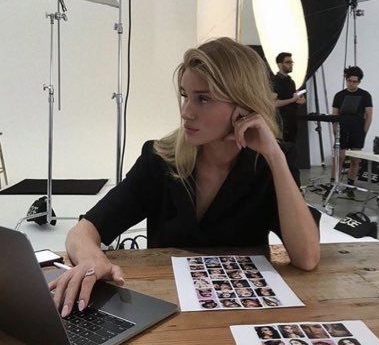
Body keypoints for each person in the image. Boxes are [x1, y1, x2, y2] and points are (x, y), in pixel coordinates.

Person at [49, 37, 320, 318]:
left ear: (244, 105)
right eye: (185, 96)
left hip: (245, 315)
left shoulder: (271, 162)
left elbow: (307, 257)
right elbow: (83, 230)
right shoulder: (160, 159)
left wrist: (274, 156)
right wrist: (93, 260)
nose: (186, 112)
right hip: (167, 312)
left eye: (203, 98)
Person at [330, 66, 373, 198]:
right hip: (341, 129)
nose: (352, 83)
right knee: (339, 158)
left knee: (355, 160)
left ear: (359, 82)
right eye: (349, 81)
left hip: (357, 130)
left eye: (355, 81)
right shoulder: (339, 95)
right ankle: (332, 185)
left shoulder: (365, 95)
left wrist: (363, 132)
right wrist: (335, 132)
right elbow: (334, 116)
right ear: (346, 79)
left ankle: (350, 185)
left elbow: (369, 115)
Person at [271, 52, 306, 143]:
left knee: (291, 148)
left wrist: (299, 101)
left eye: (291, 62)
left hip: (292, 121)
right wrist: (292, 100)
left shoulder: (291, 82)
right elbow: (273, 103)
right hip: (280, 122)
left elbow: (293, 100)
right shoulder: (274, 81)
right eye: (287, 62)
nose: (291, 65)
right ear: (279, 64)